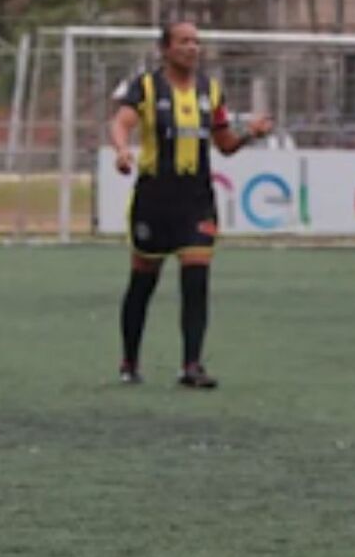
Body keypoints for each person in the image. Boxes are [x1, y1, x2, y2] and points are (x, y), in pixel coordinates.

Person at [107, 20, 274, 388]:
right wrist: (121, 150)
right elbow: (121, 123)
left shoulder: (209, 91)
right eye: (184, 41)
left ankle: (191, 365)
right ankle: (129, 361)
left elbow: (224, 144)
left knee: (196, 280)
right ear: (165, 49)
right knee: (142, 283)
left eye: (196, 41)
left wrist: (250, 132)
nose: (193, 48)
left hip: (196, 200)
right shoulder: (147, 87)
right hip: (154, 199)